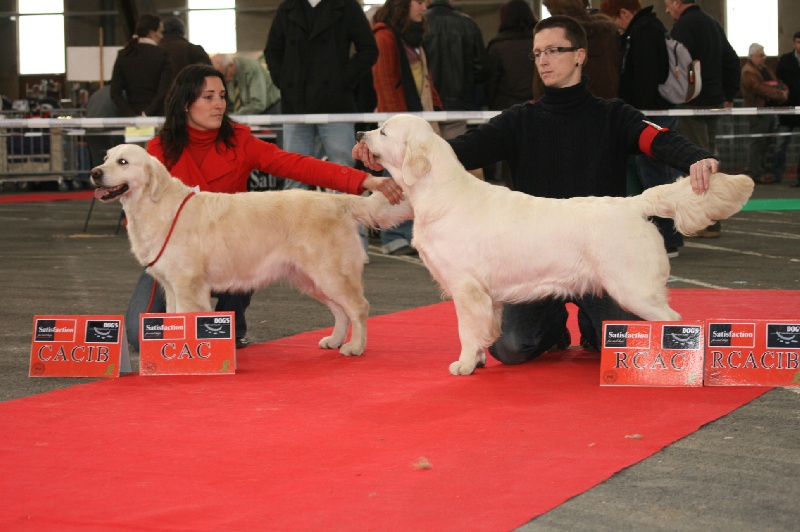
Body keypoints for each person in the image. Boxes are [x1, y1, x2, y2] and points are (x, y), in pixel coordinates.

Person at [353, 15, 718, 364]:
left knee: (621, 342)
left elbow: (658, 138)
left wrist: (696, 158)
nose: (543, 60)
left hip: (599, 244)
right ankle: (552, 329)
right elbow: (452, 153)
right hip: (531, 260)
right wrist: (385, 154)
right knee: (511, 348)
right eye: (538, 52)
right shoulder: (519, 120)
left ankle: (601, 328)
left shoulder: (612, 115)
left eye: (554, 50)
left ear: (580, 55)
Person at [125, 64, 403, 351]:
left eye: (222, 96)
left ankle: (230, 327)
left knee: (230, 306)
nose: (219, 104)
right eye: (208, 97)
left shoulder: (239, 141)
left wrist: (364, 180)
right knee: (138, 334)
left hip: (231, 250)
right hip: (177, 254)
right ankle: (212, 330)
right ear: (185, 103)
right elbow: (140, 205)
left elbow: (297, 165)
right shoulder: (158, 151)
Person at [599, 0, 684, 258]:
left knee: (655, 179)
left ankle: (668, 239)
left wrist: (632, 113)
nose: (616, 28)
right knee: (652, 177)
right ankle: (662, 237)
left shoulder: (643, 32)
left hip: (648, 115)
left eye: (615, 21)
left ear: (624, 13)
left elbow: (645, 79)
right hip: (649, 114)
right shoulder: (648, 28)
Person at [264, 0, 377, 191]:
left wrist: (343, 81)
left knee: (344, 174)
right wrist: (285, 82)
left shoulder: (347, 6)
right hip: (295, 105)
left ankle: (347, 213)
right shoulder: (288, 7)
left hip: (336, 105)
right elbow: (272, 50)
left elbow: (369, 49)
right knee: (294, 174)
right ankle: (295, 214)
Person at [371, 0, 442, 255]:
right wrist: (396, 127)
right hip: (398, 123)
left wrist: (436, 104)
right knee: (396, 179)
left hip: (417, 118)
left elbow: (424, 77)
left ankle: (413, 234)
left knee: (416, 179)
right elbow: (385, 83)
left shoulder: (414, 38)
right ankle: (393, 236)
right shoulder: (384, 37)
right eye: (419, 2)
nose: (424, 7)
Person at [665, 0, 740, 238]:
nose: (667, 9)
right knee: (710, 160)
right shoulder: (713, 24)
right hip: (714, 103)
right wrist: (729, 94)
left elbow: (675, 67)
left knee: (696, 164)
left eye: (668, 4)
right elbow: (732, 60)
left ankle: (705, 222)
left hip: (692, 105)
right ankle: (712, 219)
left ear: (677, 2)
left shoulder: (683, 27)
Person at [423, 0, 486, 140]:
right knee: (456, 150)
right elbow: (480, 67)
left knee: (427, 150)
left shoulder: (420, 23)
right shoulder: (468, 24)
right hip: (460, 104)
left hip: (428, 103)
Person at [534, 0, 619, 100]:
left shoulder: (551, 39)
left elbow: (540, 89)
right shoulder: (607, 33)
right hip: (606, 97)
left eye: (552, 51)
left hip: (562, 103)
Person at [741, 43, 788, 184]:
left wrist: (783, 90)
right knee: (757, 143)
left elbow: (776, 82)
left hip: (768, 110)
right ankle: (754, 173)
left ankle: (761, 170)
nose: (764, 57)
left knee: (766, 143)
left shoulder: (765, 68)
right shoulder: (748, 71)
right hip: (758, 112)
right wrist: (780, 94)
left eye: (764, 55)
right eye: (761, 55)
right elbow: (759, 88)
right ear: (752, 56)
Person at [110, 14, 172, 117]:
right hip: (156, 116)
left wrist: (131, 115)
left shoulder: (123, 54)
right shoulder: (163, 54)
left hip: (131, 117)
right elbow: (164, 91)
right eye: (160, 32)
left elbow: (115, 93)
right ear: (151, 33)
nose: (162, 36)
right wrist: (146, 113)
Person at [485, 0, 537, 111]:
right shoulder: (539, 42)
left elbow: (491, 83)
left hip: (506, 107)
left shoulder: (497, 46)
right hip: (538, 105)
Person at [210, 54, 278, 116]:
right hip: (246, 113)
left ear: (231, 66)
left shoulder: (251, 68)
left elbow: (258, 104)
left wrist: (234, 117)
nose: (223, 81)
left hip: (271, 110)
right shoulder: (227, 75)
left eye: (224, 76)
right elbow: (230, 105)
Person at [773, 31, 800, 187]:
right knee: (781, 144)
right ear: (793, 43)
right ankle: (776, 175)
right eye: (798, 42)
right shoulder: (785, 60)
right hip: (786, 110)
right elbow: (778, 81)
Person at [158, 16, 212, 83]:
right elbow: (208, 74)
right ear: (183, 32)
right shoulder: (194, 50)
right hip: (189, 89)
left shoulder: (154, 50)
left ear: (162, 31)